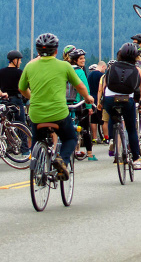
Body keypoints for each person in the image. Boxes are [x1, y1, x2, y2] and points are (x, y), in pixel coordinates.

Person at [19, 33, 94, 179]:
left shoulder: (29, 66)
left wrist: (32, 97)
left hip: (37, 113)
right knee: (71, 138)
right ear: (56, 51)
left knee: (37, 139)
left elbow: (21, 88)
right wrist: (88, 98)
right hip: (58, 113)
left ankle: (38, 171)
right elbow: (80, 86)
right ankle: (63, 161)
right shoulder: (64, 66)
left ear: (38, 51)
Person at [97, 43, 141, 170]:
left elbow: (104, 86)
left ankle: (113, 139)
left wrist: (101, 102)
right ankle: (136, 159)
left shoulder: (112, 67)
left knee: (113, 118)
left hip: (109, 99)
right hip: (126, 99)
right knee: (131, 129)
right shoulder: (137, 70)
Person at [66, 48, 95, 161]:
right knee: (84, 128)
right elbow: (85, 89)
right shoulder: (80, 71)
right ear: (75, 60)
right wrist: (89, 106)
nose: (84, 60)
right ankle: (89, 153)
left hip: (64, 103)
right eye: (81, 58)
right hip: (78, 103)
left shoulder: (66, 70)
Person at [0, 50, 26, 125]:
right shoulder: (19, 72)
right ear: (14, 60)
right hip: (16, 100)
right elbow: (24, 87)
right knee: (21, 124)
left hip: (4, 100)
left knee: (5, 123)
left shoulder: (1, 71)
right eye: (19, 60)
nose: (20, 62)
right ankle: (22, 136)